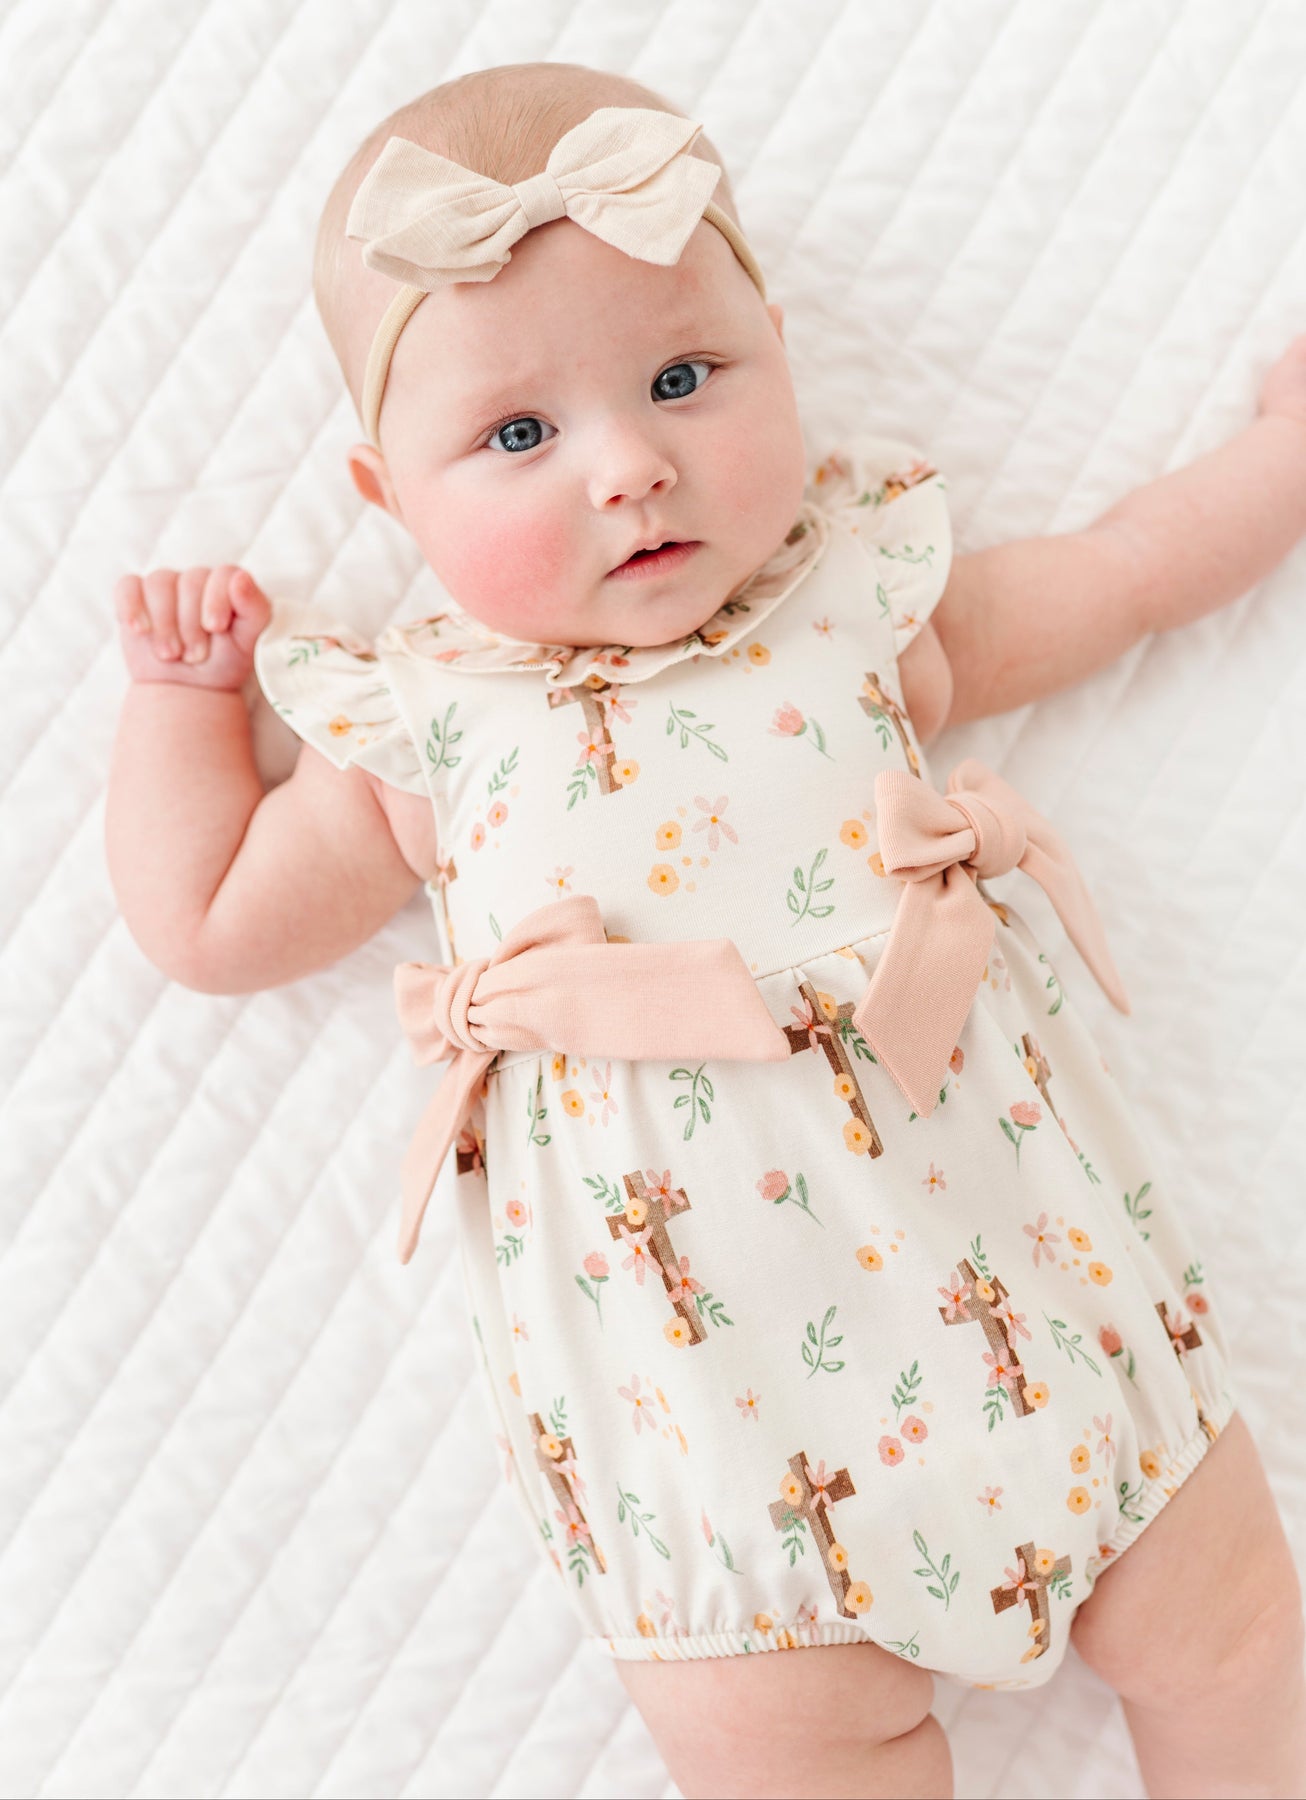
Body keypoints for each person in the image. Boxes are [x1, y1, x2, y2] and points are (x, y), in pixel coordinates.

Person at [105, 59, 1306, 1800]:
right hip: (716, 1444)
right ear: (388, 495)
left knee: (1238, 1651)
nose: (630, 469)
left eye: (681, 378)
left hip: (1043, 1311)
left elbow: (1122, 575)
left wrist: (1278, 457)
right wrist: (181, 705)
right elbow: (208, 920)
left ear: (780, 355)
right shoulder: (425, 730)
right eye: (519, 436)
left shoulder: (853, 601)